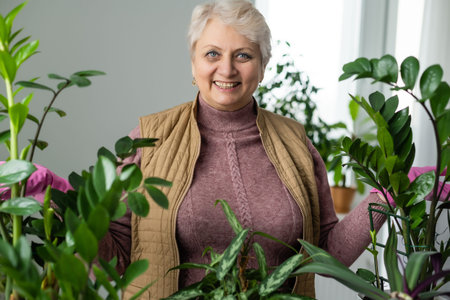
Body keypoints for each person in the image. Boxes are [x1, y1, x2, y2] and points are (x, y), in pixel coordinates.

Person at [99, 1, 388, 299]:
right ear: (193, 63)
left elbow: (326, 254)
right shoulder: (150, 140)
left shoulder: (295, 142)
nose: (227, 69)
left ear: (262, 67)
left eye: (243, 55)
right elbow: (117, 254)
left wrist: (386, 197)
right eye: (212, 53)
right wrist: (59, 210)